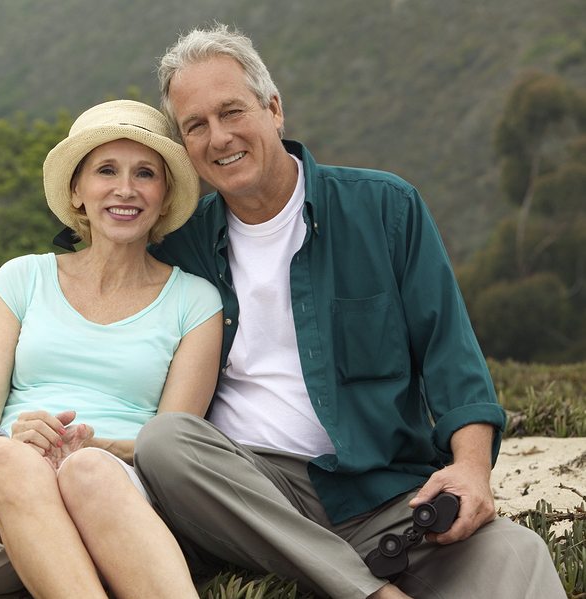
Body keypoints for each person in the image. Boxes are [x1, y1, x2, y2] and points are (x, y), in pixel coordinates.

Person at [133, 24, 566, 599]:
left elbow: (452, 359)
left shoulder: (385, 208)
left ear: (274, 108)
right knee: (165, 443)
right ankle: (370, 592)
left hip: (385, 499)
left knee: (516, 553)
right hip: (251, 498)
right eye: (196, 126)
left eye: (232, 112)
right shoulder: (178, 247)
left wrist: (470, 467)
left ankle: (337, 575)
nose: (218, 138)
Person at [0, 99, 223, 598]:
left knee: (89, 470)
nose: (125, 189)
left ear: (164, 196)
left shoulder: (196, 302)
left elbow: (174, 450)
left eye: (145, 174)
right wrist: (20, 440)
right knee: (8, 459)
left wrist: (91, 448)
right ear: (77, 191)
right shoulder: (22, 279)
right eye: (106, 170)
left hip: (116, 497)